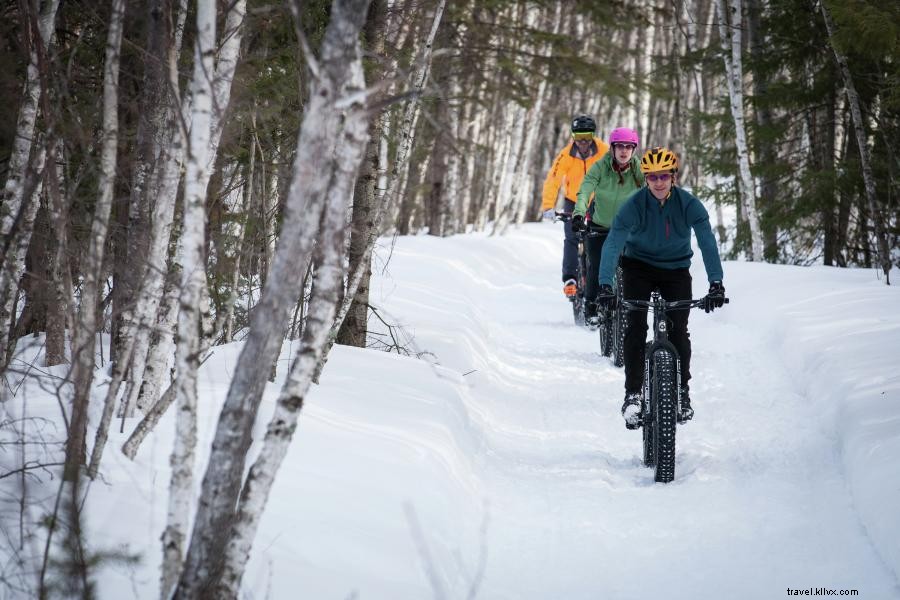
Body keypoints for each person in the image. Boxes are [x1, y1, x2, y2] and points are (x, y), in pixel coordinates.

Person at [597, 147, 725, 429]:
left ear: (673, 177)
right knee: (635, 326)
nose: (658, 182)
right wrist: (605, 285)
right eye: (652, 177)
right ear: (646, 178)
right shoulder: (633, 205)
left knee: (679, 330)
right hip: (637, 268)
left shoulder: (689, 204)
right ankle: (632, 394)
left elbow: (706, 242)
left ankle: (682, 392)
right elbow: (614, 243)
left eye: (663, 176)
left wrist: (716, 282)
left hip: (676, 271)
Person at [570, 127, 644, 325]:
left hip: (628, 228)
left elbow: (654, 190)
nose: (624, 151)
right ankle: (592, 304)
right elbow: (585, 190)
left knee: (635, 267)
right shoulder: (600, 167)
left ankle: (633, 306)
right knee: (596, 263)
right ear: (612, 148)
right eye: (620, 146)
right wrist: (578, 213)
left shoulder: (639, 169)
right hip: (600, 226)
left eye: (629, 147)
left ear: (633, 150)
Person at [541, 115, 609, 298]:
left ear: (593, 135)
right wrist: (548, 206)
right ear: (573, 136)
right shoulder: (566, 154)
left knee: (598, 238)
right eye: (579, 137)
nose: (583, 142)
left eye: (587, 136)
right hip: (573, 200)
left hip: (597, 201)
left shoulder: (604, 151)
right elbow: (553, 179)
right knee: (571, 238)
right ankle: (570, 279)